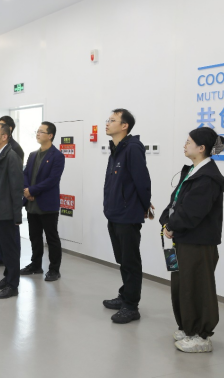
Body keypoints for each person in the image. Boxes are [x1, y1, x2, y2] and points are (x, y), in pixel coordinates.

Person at [159, 128, 224, 353]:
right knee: (182, 285)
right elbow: (175, 201)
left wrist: (172, 225)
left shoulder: (208, 178)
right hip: (183, 238)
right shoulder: (191, 171)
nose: (184, 145)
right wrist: (166, 222)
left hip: (198, 242)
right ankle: (187, 327)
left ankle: (201, 335)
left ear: (201, 148)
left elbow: (193, 212)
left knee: (197, 286)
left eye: (189, 142)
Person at [102, 108, 153, 324]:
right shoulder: (116, 148)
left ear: (124, 126)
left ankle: (131, 306)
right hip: (114, 213)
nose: (107, 123)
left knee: (130, 262)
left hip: (127, 214)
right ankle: (125, 296)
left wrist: (144, 206)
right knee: (122, 259)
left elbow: (143, 180)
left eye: (112, 120)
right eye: (108, 119)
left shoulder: (132, 148)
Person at [22, 122, 65, 281]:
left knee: (51, 238)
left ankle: (54, 269)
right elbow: (25, 174)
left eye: (41, 131)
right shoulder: (33, 154)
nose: (38, 134)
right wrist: (27, 190)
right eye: (37, 131)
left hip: (47, 204)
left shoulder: (57, 156)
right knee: (34, 236)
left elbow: (52, 180)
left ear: (50, 135)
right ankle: (36, 265)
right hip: (31, 203)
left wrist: (32, 190)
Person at [0, 123, 24, 299]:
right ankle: (7, 277)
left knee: (10, 250)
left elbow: (16, 188)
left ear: (4, 137)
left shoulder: (12, 156)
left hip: (7, 212)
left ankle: (13, 285)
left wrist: (17, 216)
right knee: (2, 248)